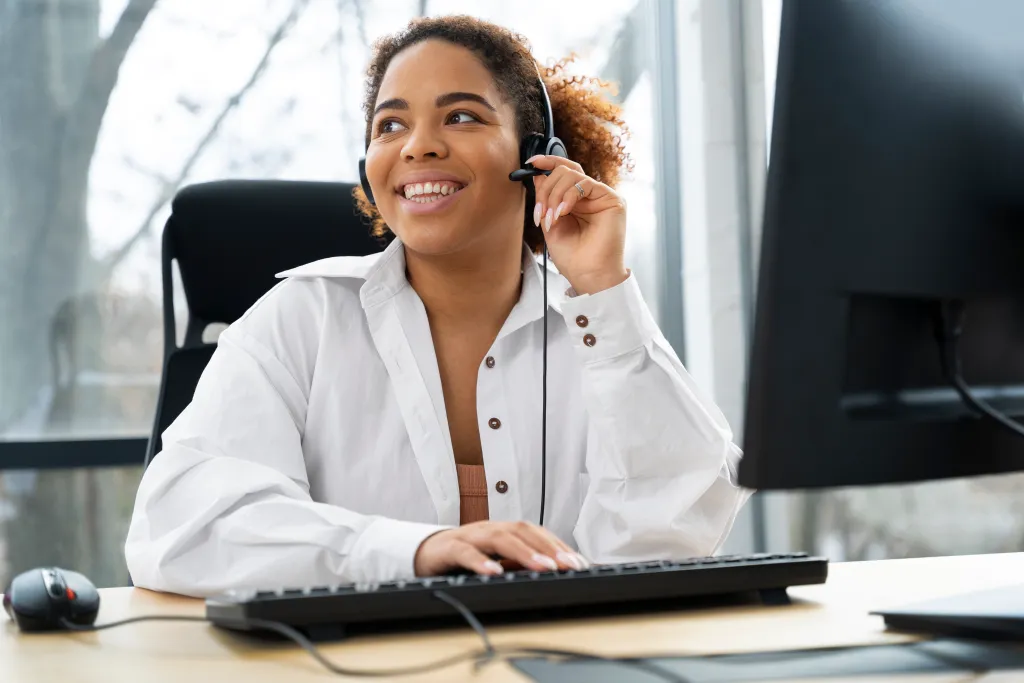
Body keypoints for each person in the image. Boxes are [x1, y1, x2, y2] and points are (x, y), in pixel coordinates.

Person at [125, 15, 751, 598]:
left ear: (539, 154)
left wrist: (605, 290)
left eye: (461, 117)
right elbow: (182, 526)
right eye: (390, 126)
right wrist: (416, 551)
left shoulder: (597, 331)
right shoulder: (302, 318)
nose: (417, 146)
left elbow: (673, 535)